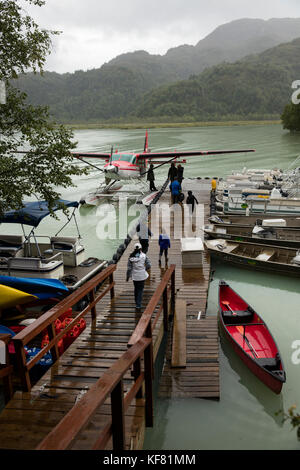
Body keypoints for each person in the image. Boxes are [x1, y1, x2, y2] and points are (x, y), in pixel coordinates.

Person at [126, 242, 151, 311]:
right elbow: (149, 265)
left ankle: (136, 302)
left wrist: (127, 276)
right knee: (140, 290)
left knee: (136, 289)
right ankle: (138, 304)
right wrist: (144, 269)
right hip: (142, 275)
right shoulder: (144, 256)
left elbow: (129, 268)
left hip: (135, 275)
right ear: (141, 249)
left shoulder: (131, 257)